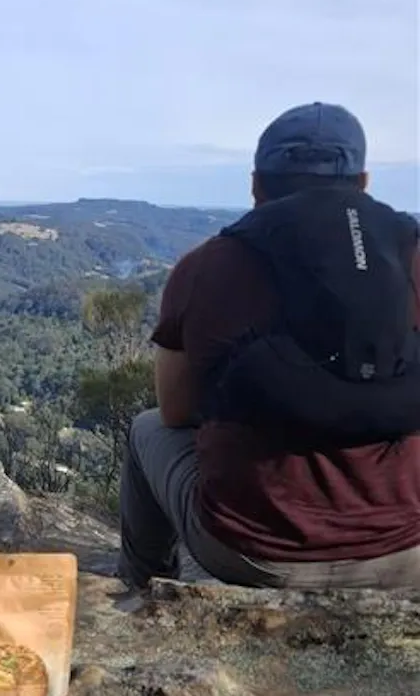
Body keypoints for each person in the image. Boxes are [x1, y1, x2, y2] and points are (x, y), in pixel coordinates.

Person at [118, 101, 420, 590]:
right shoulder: (411, 255)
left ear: (257, 185)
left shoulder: (206, 266)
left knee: (145, 427)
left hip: (252, 553)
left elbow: (175, 411)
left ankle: (139, 594)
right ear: (363, 182)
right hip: (408, 550)